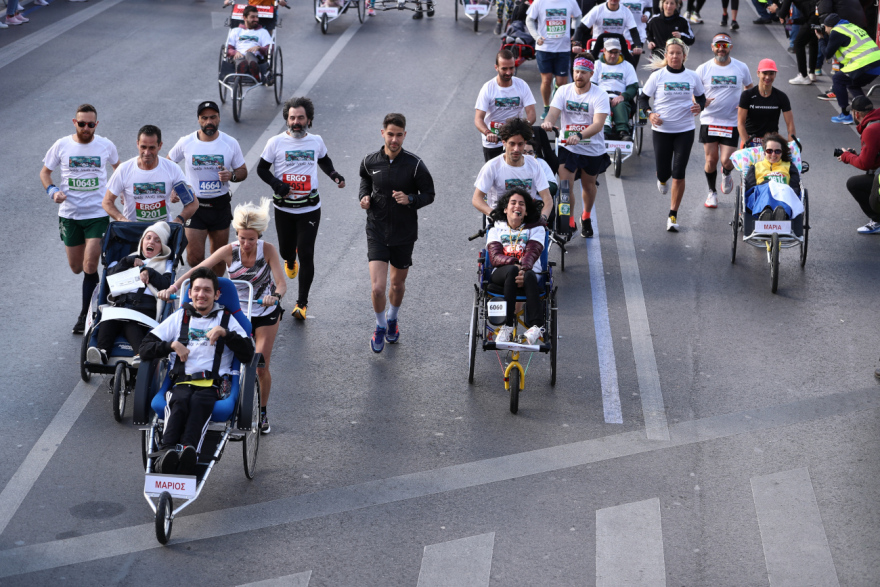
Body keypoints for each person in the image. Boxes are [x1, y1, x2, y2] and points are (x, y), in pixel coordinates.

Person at [161, 199, 285, 432]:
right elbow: (198, 271)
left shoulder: (267, 250)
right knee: (228, 354)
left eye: (251, 239)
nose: (246, 244)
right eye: (242, 238)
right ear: (237, 234)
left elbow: (281, 283)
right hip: (239, 311)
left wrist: (275, 296)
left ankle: (262, 411)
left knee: (259, 364)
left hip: (264, 311)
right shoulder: (229, 250)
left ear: (259, 236)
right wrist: (174, 287)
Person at [140, 268, 254, 475]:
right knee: (179, 401)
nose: (201, 294)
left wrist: (226, 334)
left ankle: (189, 451)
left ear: (217, 295)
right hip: (181, 381)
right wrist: (171, 345)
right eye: (197, 289)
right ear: (190, 292)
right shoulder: (179, 317)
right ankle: (166, 452)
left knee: (200, 403)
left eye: (207, 290)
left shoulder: (227, 319)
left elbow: (248, 354)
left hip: (213, 384)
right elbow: (145, 348)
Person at [257, 96, 345, 320]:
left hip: (309, 208)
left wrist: (334, 174)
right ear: (287, 119)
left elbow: (324, 160)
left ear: (309, 120)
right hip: (284, 209)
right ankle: (289, 258)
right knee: (286, 250)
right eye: (292, 118)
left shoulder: (316, 141)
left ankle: (302, 304)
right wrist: (277, 184)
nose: (296, 122)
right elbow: (261, 169)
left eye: (301, 118)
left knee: (306, 253)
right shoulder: (275, 142)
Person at [358, 113, 435, 353]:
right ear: (383, 133)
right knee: (377, 288)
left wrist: (410, 199)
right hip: (377, 230)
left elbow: (429, 194)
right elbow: (365, 180)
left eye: (399, 135)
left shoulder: (415, 165)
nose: (394, 140)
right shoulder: (370, 161)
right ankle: (380, 326)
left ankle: (392, 318)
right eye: (390, 134)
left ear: (404, 135)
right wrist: (364, 196)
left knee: (397, 286)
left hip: (404, 233)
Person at [41, 104, 120, 334]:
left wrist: (119, 196)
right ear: (74, 123)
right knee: (76, 267)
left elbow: (119, 170)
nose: (86, 128)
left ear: (96, 124)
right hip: (70, 215)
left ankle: (86, 314)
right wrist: (52, 191)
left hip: (97, 214)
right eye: (82, 123)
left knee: (90, 265)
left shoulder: (106, 145)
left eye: (91, 124)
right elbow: (45, 173)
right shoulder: (62, 145)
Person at [168, 101, 247, 276]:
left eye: (213, 117)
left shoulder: (230, 142)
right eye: (204, 118)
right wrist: (174, 187)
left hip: (220, 206)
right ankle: (204, 283)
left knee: (219, 260)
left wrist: (231, 175)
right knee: (194, 258)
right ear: (198, 120)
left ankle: (214, 288)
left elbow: (242, 171)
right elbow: (167, 164)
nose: (209, 122)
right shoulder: (186, 142)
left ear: (219, 118)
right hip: (194, 206)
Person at [639, 37, 706, 232]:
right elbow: (643, 99)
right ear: (666, 56)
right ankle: (661, 178)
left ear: (684, 56)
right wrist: (649, 114)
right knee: (664, 173)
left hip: (685, 130)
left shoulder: (692, 76)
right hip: (662, 131)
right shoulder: (658, 76)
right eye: (671, 53)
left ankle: (673, 215)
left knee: (679, 173)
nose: (675, 56)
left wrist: (699, 106)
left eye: (678, 53)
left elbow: (701, 98)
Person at [541, 56, 611, 238]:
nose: (579, 76)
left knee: (589, 186)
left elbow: (598, 124)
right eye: (576, 71)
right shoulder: (563, 91)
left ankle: (586, 216)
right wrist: (548, 122)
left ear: (591, 74)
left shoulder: (600, 95)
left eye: (583, 72)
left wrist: (579, 136)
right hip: (568, 148)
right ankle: (568, 221)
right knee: (565, 186)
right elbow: (553, 113)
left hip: (592, 148)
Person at [87, 222, 173, 365]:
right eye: (148, 238)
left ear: (162, 247)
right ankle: (102, 352)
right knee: (108, 321)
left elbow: (167, 285)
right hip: (121, 304)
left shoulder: (165, 264)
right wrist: (126, 262)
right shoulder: (129, 258)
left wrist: (150, 272)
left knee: (131, 324)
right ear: (142, 242)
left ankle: (140, 354)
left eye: (157, 240)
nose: (151, 242)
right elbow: (109, 279)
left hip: (145, 308)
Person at [695, 33, 753, 208]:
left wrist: (744, 104)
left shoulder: (741, 67)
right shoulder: (703, 69)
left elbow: (749, 88)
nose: (721, 48)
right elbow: (693, 92)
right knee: (711, 160)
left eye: (725, 45)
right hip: (709, 120)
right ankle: (712, 192)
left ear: (730, 48)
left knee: (727, 160)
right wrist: (700, 102)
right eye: (718, 45)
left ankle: (726, 173)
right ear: (712, 47)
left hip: (731, 121)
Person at [104, 125, 199, 225]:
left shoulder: (172, 169)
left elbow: (192, 202)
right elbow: (107, 202)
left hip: (161, 230)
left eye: (152, 148)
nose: (147, 152)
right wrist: (122, 219)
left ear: (160, 145)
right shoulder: (124, 169)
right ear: (137, 144)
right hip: (133, 229)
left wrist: (178, 220)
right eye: (143, 147)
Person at [487, 188, 547, 346]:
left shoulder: (537, 229)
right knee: (512, 270)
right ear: (505, 209)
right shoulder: (495, 229)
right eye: (513, 203)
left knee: (529, 275)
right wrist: (515, 264)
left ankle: (536, 327)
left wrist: (524, 269)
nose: (517, 206)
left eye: (522, 204)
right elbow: (495, 256)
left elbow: (533, 252)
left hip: (529, 272)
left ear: (526, 212)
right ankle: (507, 325)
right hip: (502, 273)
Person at [473, 118, 553, 222]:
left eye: (520, 144)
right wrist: (493, 214)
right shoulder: (492, 166)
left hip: (527, 219)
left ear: (525, 143)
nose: (516, 149)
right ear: (504, 143)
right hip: (500, 220)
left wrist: (543, 218)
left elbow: (547, 199)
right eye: (512, 144)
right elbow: (477, 199)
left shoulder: (534, 164)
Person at [475, 49, 538, 162]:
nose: (509, 72)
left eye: (511, 68)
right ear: (496, 67)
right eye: (504, 69)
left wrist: (522, 129)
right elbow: (478, 119)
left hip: (515, 141)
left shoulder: (522, 85)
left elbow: (531, 114)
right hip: (494, 141)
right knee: (494, 172)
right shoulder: (488, 88)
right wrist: (488, 133)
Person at [526, 0, 584, 119]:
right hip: (544, 48)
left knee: (562, 83)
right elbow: (529, 20)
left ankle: (557, 96)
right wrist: (536, 37)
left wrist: (575, 35)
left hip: (563, 48)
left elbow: (578, 17)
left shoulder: (570, 1)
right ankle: (547, 107)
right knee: (546, 80)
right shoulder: (539, 2)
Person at [819, 14, 880, 123]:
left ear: (830, 26)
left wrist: (821, 39)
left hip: (865, 63)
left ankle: (845, 115)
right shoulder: (851, 27)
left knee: (838, 79)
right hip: (877, 63)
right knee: (852, 84)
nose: (825, 30)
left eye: (826, 27)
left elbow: (827, 54)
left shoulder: (836, 31)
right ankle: (867, 113)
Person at [836, 96, 880, 233]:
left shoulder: (871, 129)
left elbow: (865, 164)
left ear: (856, 114)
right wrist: (857, 155)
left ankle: (878, 221)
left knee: (854, 184)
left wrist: (847, 156)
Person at [737, 59, 797, 148]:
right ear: (758, 73)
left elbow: (790, 124)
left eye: (771, 73)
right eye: (764, 73)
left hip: (771, 143)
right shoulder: (747, 95)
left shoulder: (781, 96)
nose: (768, 77)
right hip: (750, 141)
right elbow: (740, 123)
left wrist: (792, 147)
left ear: (775, 75)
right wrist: (747, 143)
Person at [744, 133, 802, 220]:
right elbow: (750, 190)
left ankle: (781, 214)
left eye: (777, 151)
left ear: (782, 152)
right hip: (760, 197)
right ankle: (766, 211)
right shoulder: (755, 167)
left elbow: (795, 189)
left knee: (785, 190)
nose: (773, 154)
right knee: (768, 187)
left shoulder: (789, 167)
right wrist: (769, 185)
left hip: (783, 195)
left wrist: (778, 188)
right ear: (764, 152)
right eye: (769, 151)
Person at [592, 37, 640, 140]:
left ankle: (623, 131)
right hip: (600, 96)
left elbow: (633, 86)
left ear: (620, 52)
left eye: (616, 52)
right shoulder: (596, 65)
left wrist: (623, 96)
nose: (613, 55)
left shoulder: (627, 66)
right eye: (610, 52)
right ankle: (604, 131)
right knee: (603, 104)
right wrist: (603, 96)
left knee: (621, 105)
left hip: (620, 97)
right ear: (604, 51)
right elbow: (591, 84)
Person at [768, 0, 820, 86]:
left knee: (798, 44)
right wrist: (790, 21)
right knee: (813, 41)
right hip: (818, 16)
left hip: (813, 18)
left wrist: (776, 9)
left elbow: (782, 14)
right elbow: (805, 18)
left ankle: (803, 76)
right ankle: (812, 72)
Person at [581, 0, 644, 65]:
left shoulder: (626, 11)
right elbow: (581, 28)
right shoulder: (597, 9)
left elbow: (633, 31)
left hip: (616, 48)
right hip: (598, 49)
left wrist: (638, 46)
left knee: (631, 64)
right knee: (592, 67)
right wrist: (577, 44)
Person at [226, 5, 273, 80]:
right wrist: (235, 52)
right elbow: (228, 49)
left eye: (257, 17)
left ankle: (255, 71)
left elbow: (270, 49)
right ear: (245, 18)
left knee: (249, 54)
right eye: (252, 17)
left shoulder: (263, 32)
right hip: (239, 55)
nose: (256, 19)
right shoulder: (236, 31)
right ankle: (240, 72)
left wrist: (259, 48)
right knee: (240, 59)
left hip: (255, 56)